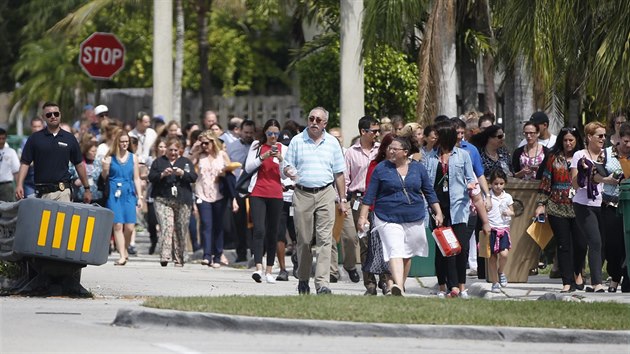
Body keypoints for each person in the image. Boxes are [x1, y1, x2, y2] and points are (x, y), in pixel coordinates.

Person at [358, 137, 443, 296]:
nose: (390, 151)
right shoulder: (381, 168)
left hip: (414, 216)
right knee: (394, 249)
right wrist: (362, 217)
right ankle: (396, 285)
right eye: (389, 148)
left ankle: (398, 287)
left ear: (405, 152)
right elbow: (369, 195)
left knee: (407, 253)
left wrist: (437, 212)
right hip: (386, 217)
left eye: (394, 149)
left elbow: (429, 192)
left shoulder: (418, 169)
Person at [283, 107, 347, 295]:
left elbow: (339, 173)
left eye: (318, 120)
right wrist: (288, 171)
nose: (314, 122)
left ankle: (322, 283)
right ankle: (303, 278)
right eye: (311, 118)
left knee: (325, 239)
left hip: (326, 192)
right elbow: (286, 165)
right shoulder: (297, 140)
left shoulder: (333, 143)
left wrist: (342, 199)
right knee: (303, 240)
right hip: (302, 193)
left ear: (325, 123)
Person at [424, 121, 491, 298]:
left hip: (459, 208)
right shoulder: (430, 157)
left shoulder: (462, 156)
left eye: (438, 135)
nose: (435, 137)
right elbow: (426, 184)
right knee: (442, 249)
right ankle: (443, 286)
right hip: (437, 209)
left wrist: (472, 186)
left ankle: (460, 286)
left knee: (458, 248)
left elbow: (472, 178)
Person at [536, 127, 587, 292]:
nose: (568, 143)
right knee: (563, 245)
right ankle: (567, 282)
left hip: (579, 205)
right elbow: (546, 180)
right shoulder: (553, 157)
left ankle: (578, 273)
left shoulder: (583, 157)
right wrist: (541, 204)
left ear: (577, 140)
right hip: (557, 206)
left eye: (571, 140)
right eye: (565, 140)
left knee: (580, 244)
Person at [16, 102, 91, 203]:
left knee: (62, 219)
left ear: (60, 115)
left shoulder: (69, 138)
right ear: (44, 117)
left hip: (62, 192)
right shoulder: (35, 138)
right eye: (49, 114)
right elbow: (25, 163)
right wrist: (19, 185)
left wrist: (87, 189)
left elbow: (79, 164)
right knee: (42, 219)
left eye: (56, 114)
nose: (53, 116)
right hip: (41, 194)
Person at [339, 116, 380, 293]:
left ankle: (386, 280)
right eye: (374, 131)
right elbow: (345, 178)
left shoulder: (381, 150)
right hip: (358, 199)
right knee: (363, 242)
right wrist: (343, 200)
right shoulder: (351, 152)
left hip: (379, 200)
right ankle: (369, 284)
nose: (377, 134)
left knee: (380, 240)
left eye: (378, 131)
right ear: (363, 132)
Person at [243, 119, 287, 283]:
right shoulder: (257, 146)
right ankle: (258, 268)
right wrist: (264, 156)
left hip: (276, 193)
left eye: (276, 133)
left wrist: (281, 159)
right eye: (270, 133)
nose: (273, 136)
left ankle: (269, 269)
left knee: (273, 232)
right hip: (258, 192)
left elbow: (284, 175)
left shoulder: (284, 148)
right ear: (265, 133)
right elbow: (248, 168)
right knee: (259, 229)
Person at [189, 131, 236, 268]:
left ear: (213, 142)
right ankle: (207, 255)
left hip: (219, 194)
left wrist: (223, 174)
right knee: (206, 224)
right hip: (202, 193)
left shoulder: (222, 155)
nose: (204, 146)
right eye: (202, 143)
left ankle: (217, 255)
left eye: (206, 143)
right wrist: (194, 150)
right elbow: (187, 165)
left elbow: (230, 175)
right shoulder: (200, 156)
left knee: (218, 225)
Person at [149, 137, 197, 267]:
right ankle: (165, 256)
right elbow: (151, 177)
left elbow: (193, 177)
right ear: (166, 150)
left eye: (176, 150)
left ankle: (179, 257)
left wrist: (182, 174)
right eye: (170, 150)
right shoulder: (158, 162)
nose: (173, 153)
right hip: (163, 199)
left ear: (180, 150)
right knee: (167, 227)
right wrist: (162, 174)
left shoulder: (186, 162)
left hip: (182, 200)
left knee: (181, 229)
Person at [570, 122, 607, 293]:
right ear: (589, 137)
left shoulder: (607, 155)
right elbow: (575, 184)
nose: (603, 139)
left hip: (605, 203)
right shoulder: (580, 156)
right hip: (584, 204)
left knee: (605, 243)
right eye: (600, 135)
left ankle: (601, 278)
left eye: (605, 135)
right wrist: (583, 172)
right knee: (595, 241)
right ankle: (597, 283)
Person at [101, 131, 143, 266]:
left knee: (130, 227)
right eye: (122, 141)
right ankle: (122, 255)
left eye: (126, 141)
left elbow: (136, 178)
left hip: (129, 191)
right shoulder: (110, 157)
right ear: (117, 142)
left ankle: (124, 249)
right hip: (114, 192)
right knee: (118, 225)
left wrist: (140, 196)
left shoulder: (133, 158)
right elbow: (103, 177)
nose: (124, 144)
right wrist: (105, 168)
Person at [600, 122, 630, 292]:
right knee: (612, 245)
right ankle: (614, 276)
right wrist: (607, 179)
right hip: (610, 205)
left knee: (628, 244)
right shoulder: (607, 154)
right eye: (625, 141)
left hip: (628, 205)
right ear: (619, 139)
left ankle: (627, 277)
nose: (628, 145)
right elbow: (594, 174)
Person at [226, 120, 256, 262]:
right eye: (246, 132)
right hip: (238, 189)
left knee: (256, 223)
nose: (248, 135)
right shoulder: (231, 147)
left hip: (254, 189)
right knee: (239, 223)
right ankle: (241, 253)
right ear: (240, 131)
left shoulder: (257, 147)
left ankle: (256, 252)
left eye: (251, 133)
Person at [486, 169, 514, 293]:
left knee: (504, 254)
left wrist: (509, 212)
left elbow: (513, 211)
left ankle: (501, 272)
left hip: (503, 229)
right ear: (491, 184)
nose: (498, 186)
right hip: (491, 229)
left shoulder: (507, 197)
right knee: (492, 258)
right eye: (496, 184)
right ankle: (494, 282)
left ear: (505, 183)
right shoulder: (488, 196)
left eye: (501, 183)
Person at [69, 140, 103, 204]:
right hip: (80, 196)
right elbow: (70, 172)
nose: (94, 153)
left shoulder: (99, 162)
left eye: (96, 151)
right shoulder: (78, 162)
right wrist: (75, 179)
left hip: (96, 196)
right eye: (92, 151)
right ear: (86, 151)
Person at [0, 128, 20, 202]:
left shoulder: (11, 152)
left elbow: (16, 171)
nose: (1, 141)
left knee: (7, 210)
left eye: (3, 138)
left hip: (6, 185)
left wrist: (19, 186)